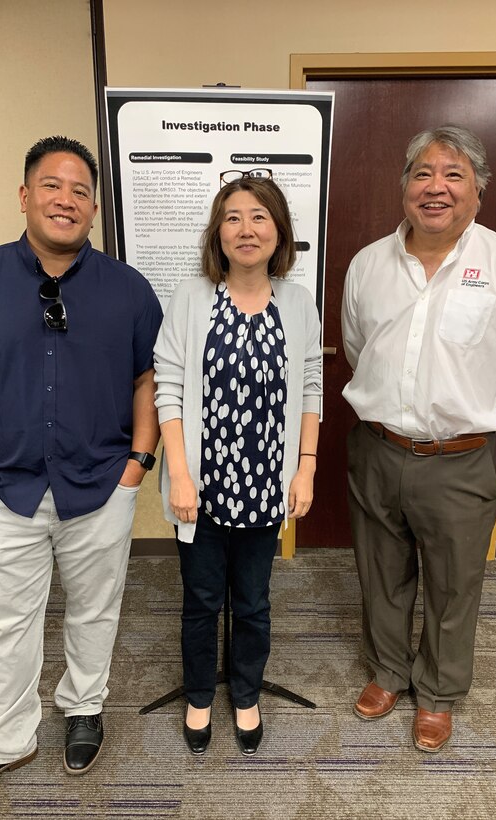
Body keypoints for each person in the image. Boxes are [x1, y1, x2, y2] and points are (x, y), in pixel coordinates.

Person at [0, 136, 162, 806]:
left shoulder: (127, 288)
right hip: (2, 487)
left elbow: (149, 379)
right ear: (25, 195)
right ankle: (6, 739)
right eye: (52, 185)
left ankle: (84, 705)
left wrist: (136, 467)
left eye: (80, 191)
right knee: (4, 620)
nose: (66, 199)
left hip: (101, 485)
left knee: (95, 608)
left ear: (93, 208)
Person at [342, 125, 496, 753]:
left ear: (477, 192)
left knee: (455, 582)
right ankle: (388, 672)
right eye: (423, 173)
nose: (436, 188)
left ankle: (438, 692)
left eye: (453, 175)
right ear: (404, 186)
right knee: (381, 572)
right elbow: (358, 348)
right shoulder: (368, 263)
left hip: (461, 459)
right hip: (377, 448)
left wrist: (474, 415)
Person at [153, 176, 322, 756]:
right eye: (232, 218)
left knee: (252, 600)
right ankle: (201, 694)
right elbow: (169, 387)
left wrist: (306, 467)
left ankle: (245, 692)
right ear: (217, 233)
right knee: (201, 599)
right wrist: (178, 473)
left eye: (259, 217)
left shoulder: (298, 302)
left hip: (265, 485)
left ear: (279, 231)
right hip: (200, 486)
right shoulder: (191, 296)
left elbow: (310, 388)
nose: (245, 229)